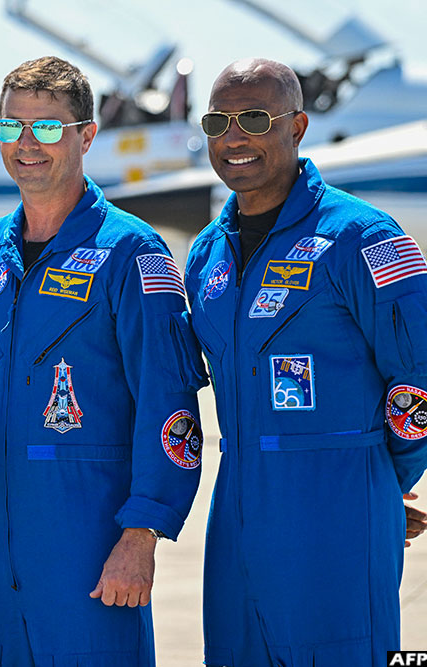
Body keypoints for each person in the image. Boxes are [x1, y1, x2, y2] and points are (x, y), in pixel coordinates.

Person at [0, 56, 207, 665]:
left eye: (48, 128)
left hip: (90, 537)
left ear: (86, 135)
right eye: (11, 127)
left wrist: (142, 535)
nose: (27, 145)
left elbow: (169, 400)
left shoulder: (133, 252)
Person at [184, 58, 427, 666]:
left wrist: (372, 482)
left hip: (339, 509)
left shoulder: (364, 237)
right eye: (218, 121)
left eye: (255, 119)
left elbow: (418, 378)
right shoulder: (205, 256)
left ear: (297, 127)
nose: (233, 137)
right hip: (236, 505)